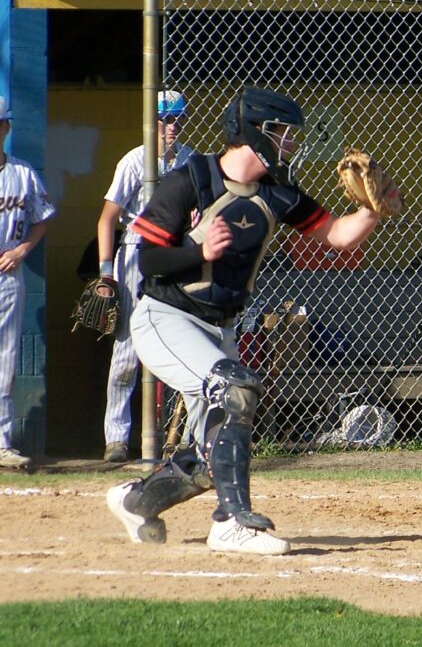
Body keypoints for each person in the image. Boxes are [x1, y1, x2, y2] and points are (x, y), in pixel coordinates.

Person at [106, 86, 386, 554]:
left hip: (219, 328)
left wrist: (372, 211)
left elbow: (337, 235)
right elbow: (148, 260)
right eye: (282, 133)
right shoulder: (191, 179)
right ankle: (231, 523)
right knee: (236, 388)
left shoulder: (277, 192)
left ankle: (135, 502)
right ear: (254, 131)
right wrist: (198, 251)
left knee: (211, 454)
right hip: (166, 317)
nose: (291, 143)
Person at [97, 90, 195, 463]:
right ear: (152, 121)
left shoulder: (189, 159)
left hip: (176, 251)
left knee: (180, 343)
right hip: (136, 250)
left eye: (178, 118)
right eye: (166, 119)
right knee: (127, 350)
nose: (173, 126)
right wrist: (106, 273)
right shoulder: (135, 160)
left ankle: (178, 438)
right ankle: (117, 439)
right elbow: (107, 219)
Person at [0, 97, 56, 469]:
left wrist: (22, 250)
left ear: (6, 128)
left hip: (7, 274)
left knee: (5, 362)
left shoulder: (22, 172)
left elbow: (43, 217)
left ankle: (1, 443)